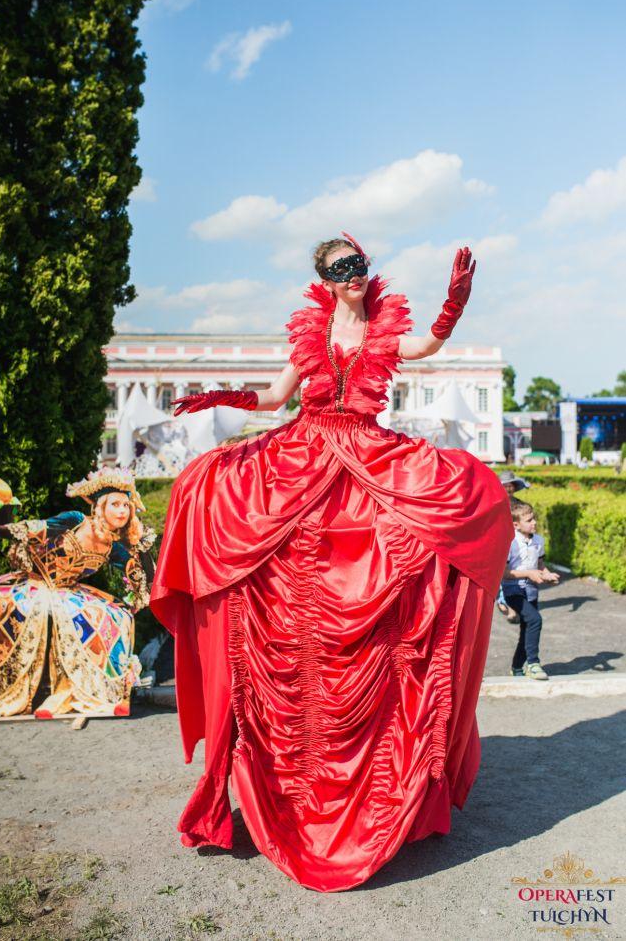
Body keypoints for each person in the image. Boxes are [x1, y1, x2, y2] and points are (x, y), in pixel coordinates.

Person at [151, 234, 512, 892]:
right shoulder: (309, 334)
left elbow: (426, 346)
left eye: (360, 266)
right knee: (204, 486)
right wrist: (218, 397)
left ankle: (392, 754)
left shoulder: (385, 329)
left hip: (369, 454)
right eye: (340, 269)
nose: (353, 276)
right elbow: (274, 398)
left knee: (473, 494)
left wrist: (453, 301)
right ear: (321, 277)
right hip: (306, 449)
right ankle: (277, 765)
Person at [0, 468, 155, 718]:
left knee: (114, 617)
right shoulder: (77, 521)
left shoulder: (114, 545)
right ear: (99, 506)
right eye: (115, 504)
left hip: (69, 592)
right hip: (34, 584)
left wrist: (142, 545)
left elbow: (144, 579)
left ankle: (93, 693)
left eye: (126, 506)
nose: (122, 511)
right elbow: (34, 529)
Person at [502, 501, 559, 680]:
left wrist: (548, 575)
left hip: (532, 591)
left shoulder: (538, 541)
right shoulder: (510, 543)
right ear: (516, 524)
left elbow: (541, 566)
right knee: (535, 620)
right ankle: (533, 664)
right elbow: (504, 573)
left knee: (527, 628)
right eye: (529, 520)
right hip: (513, 592)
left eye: (533, 518)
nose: (534, 522)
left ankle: (517, 667)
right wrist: (529, 573)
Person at [495, 471, 531, 623]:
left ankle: (509, 604)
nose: (508, 489)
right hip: (499, 543)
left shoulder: (520, 505)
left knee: (512, 573)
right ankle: (503, 601)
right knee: (501, 573)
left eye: (510, 485)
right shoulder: (494, 502)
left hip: (516, 544)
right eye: (505, 485)